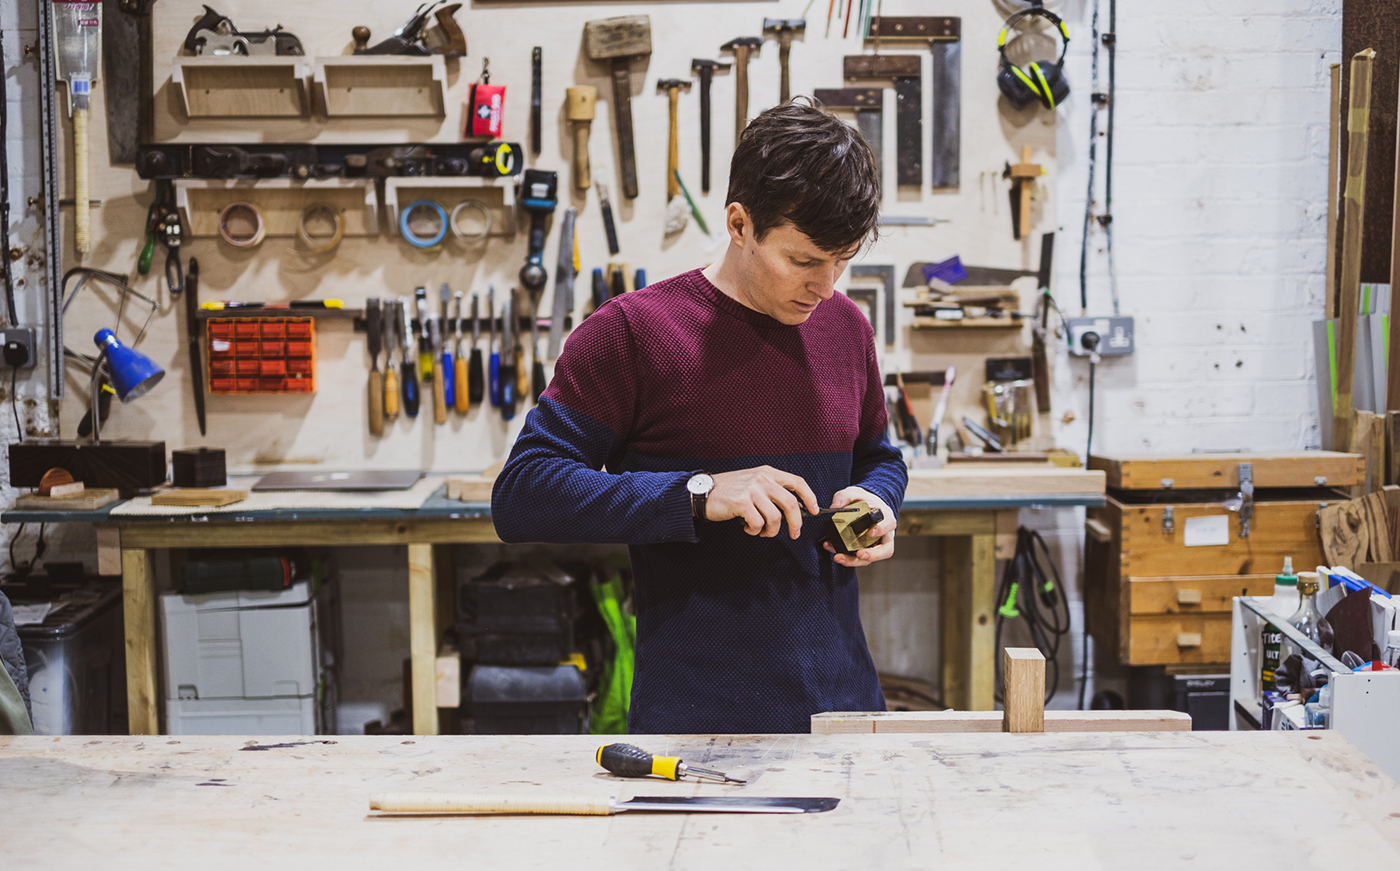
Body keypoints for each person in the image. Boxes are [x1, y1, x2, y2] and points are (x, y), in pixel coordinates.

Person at [492, 99, 907, 734]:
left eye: (842, 260)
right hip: (698, 719)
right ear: (740, 224)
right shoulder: (633, 333)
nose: (826, 286)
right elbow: (523, 495)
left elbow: (879, 457)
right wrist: (698, 493)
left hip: (844, 706)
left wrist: (878, 501)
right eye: (802, 261)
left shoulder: (845, 327)